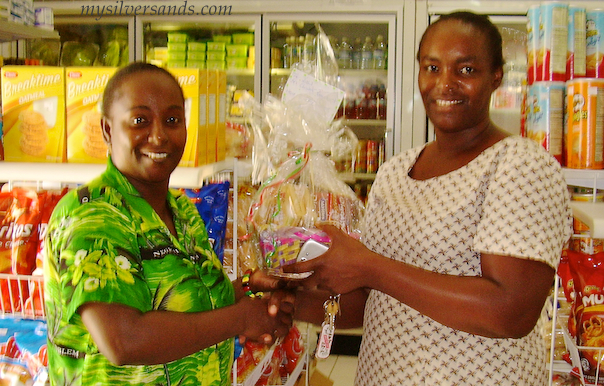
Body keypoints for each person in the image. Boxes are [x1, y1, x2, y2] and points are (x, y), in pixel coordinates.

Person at [285, 11, 572, 386]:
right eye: (432, 67)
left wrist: (369, 266)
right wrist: (286, 299)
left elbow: (510, 312)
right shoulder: (394, 172)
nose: (445, 83)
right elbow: (373, 303)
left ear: (496, 76)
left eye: (465, 70)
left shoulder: (520, 165)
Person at [43, 62, 294, 386]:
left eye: (172, 120)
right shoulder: (93, 215)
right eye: (139, 121)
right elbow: (123, 340)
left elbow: (186, 308)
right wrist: (240, 319)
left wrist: (246, 287)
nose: (159, 135)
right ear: (107, 129)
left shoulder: (182, 212)